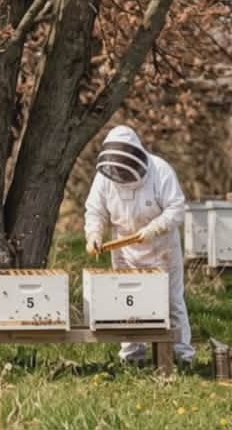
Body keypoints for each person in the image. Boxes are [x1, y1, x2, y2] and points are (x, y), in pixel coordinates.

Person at [84, 124, 194, 364]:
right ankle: (133, 357)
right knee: (127, 303)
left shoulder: (161, 170)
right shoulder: (104, 178)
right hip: (124, 249)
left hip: (161, 249)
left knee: (172, 301)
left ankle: (182, 355)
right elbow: (95, 210)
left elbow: (176, 208)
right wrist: (93, 233)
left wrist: (155, 228)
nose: (121, 173)